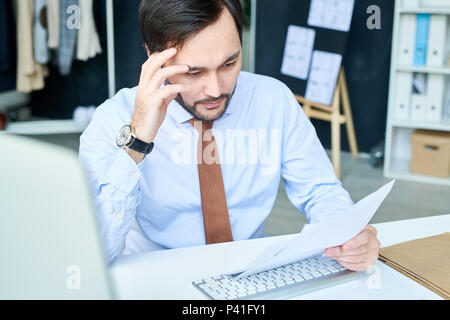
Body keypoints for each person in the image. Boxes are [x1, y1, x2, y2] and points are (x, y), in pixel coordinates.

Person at [79, 0, 381, 270]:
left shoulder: (273, 99)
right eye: (194, 72)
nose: (215, 89)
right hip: (157, 277)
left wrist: (347, 235)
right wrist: (137, 142)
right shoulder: (113, 120)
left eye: (229, 63)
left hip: (250, 274)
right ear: (152, 55)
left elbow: (320, 191)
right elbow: (95, 253)